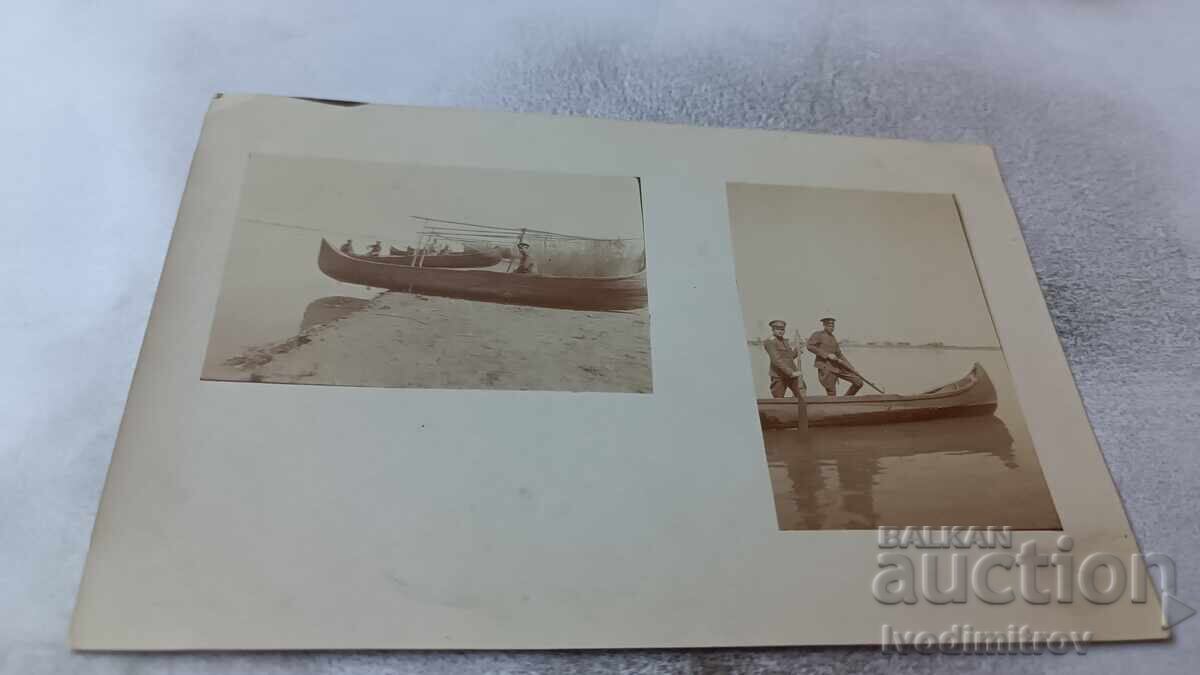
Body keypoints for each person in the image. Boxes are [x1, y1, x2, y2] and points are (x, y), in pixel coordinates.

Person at [806, 317, 863, 396]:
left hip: (837, 367)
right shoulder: (818, 334)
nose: (831, 328)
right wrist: (827, 355)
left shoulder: (833, 337)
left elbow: (839, 354)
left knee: (858, 382)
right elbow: (809, 346)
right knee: (832, 392)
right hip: (826, 368)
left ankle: (845, 400)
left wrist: (852, 368)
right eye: (829, 326)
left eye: (833, 326)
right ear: (824, 325)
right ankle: (833, 405)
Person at [764, 319, 805, 398]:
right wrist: (791, 373)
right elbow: (776, 360)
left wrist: (797, 351)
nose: (780, 331)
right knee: (778, 398)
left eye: (782, 329)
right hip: (779, 376)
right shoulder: (770, 342)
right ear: (773, 330)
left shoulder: (784, 341)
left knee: (802, 393)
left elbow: (789, 357)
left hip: (792, 374)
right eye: (777, 329)